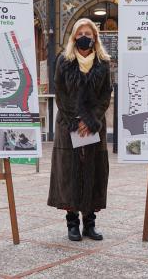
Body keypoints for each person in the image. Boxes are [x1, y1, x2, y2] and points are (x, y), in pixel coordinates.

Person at [47, 18, 112, 242]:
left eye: (89, 33)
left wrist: (91, 120)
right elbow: (61, 94)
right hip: (68, 125)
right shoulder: (64, 61)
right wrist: (76, 120)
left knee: (93, 171)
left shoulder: (103, 63)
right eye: (81, 32)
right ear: (74, 36)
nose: (85, 36)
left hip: (94, 126)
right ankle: (72, 222)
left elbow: (106, 95)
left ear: (95, 37)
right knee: (69, 173)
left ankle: (90, 223)